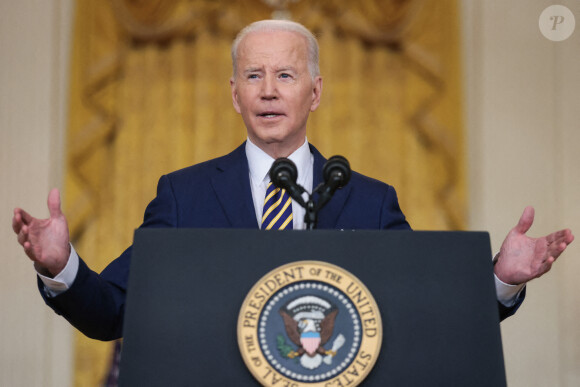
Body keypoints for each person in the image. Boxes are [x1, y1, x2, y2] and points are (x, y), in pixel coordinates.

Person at [12, 20, 574, 341]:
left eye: (286, 74)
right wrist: (61, 266)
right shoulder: (183, 196)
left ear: (316, 91)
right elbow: (113, 311)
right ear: (235, 95)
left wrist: (500, 278)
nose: (269, 90)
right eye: (253, 76)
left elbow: (426, 307)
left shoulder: (369, 201)